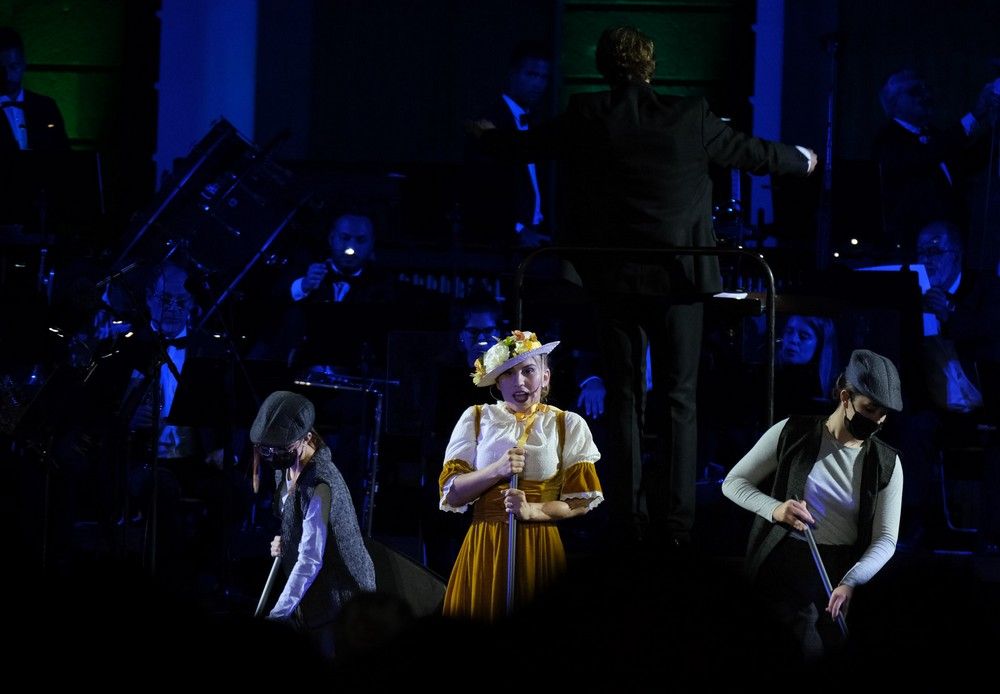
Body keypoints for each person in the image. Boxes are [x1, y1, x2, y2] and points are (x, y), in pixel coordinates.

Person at [473, 25, 817, 548]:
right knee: (680, 399)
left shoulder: (587, 113)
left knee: (625, 397)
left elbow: (526, 146)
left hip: (613, 280)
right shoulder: (691, 114)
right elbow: (752, 154)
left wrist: (485, 135)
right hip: (680, 279)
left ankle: (628, 521)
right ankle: (677, 525)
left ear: (606, 70)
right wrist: (803, 159)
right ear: (650, 67)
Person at [722, 349, 904, 661]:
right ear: (845, 397)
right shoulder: (792, 432)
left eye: (883, 414)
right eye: (870, 409)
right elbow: (733, 483)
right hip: (788, 564)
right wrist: (776, 509)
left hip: (843, 569)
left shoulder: (887, 463)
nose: (876, 421)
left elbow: (886, 539)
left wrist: (852, 581)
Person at [438, 329, 603, 621]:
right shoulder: (477, 418)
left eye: (528, 371)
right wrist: (497, 470)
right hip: (485, 544)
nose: (520, 382)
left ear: (545, 376)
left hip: (539, 544)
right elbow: (452, 493)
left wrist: (533, 510)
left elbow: (580, 502)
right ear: (497, 383)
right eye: (509, 374)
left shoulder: (566, 424)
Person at [251, 390, 376, 658]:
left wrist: (277, 614)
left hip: (343, 602)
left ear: (307, 438)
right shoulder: (287, 469)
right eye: (267, 449)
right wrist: (288, 539)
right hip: (315, 600)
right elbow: (300, 525)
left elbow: (310, 559)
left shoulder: (321, 483)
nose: (273, 456)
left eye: (281, 449)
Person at [874, 69, 998, 260]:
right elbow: (931, 154)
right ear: (895, 102)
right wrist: (976, 115)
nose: (926, 95)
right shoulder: (889, 140)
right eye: (916, 91)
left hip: (951, 240)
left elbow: (967, 162)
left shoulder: (934, 135)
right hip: (914, 244)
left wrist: (993, 133)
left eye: (926, 89)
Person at [462, 41, 553, 249]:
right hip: (500, 244)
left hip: (536, 240)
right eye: (531, 75)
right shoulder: (488, 122)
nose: (538, 84)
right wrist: (517, 229)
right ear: (512, 74)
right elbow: (481, 188)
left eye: (543, 77)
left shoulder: (539, 124)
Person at [0, 26, 69, 151]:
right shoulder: (45, 106)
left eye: (13, 66)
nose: (7, 75)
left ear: (23, 64)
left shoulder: (46, 107)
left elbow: (63, 153)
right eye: (1, 69)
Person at [775, 314, 838, 418]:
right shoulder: (766, 376)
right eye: (789, 331)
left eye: (804, 336)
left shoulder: (830, 388)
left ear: (820, 344)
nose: (793, 340)